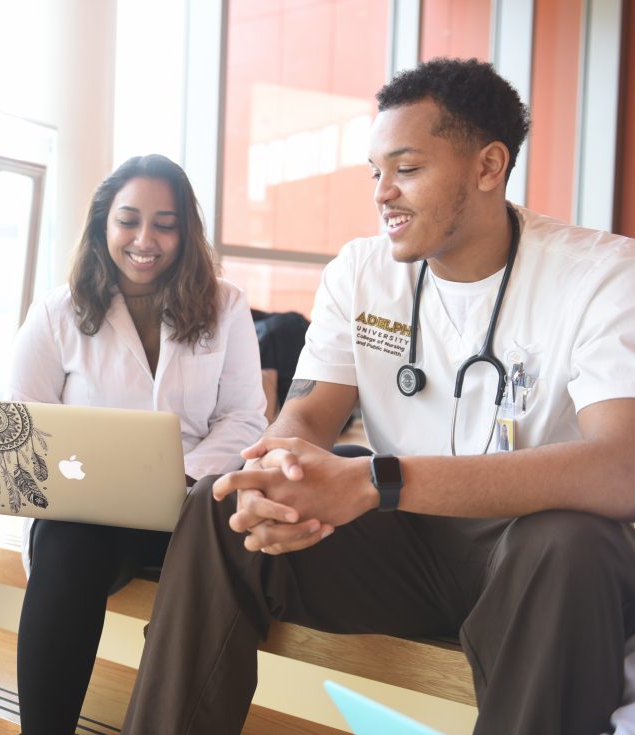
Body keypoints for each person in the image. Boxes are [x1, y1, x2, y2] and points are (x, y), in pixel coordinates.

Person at [121, 58, 635, 735]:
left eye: (408, 168)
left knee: (570, 540)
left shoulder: (600, 274)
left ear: (488, 167)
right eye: (375, 171)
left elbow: (620, 468)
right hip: (408, 549)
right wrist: (277, 469)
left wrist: (379, 480)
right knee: (218, 505)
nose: (382, 192)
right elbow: (307, 414)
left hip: (532, 557)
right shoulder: (361, 272)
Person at [8, 154, 267, 734]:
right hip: (93, 518)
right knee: (66, 540)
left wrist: (180, 474)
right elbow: (23, 429)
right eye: (129, 220)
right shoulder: (58, 311)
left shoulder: (225, 305)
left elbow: (246, 417)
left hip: (191, 510)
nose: (145, 239)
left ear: (185, 230)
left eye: (165, 223)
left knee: (218, 559)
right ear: (104, 223)